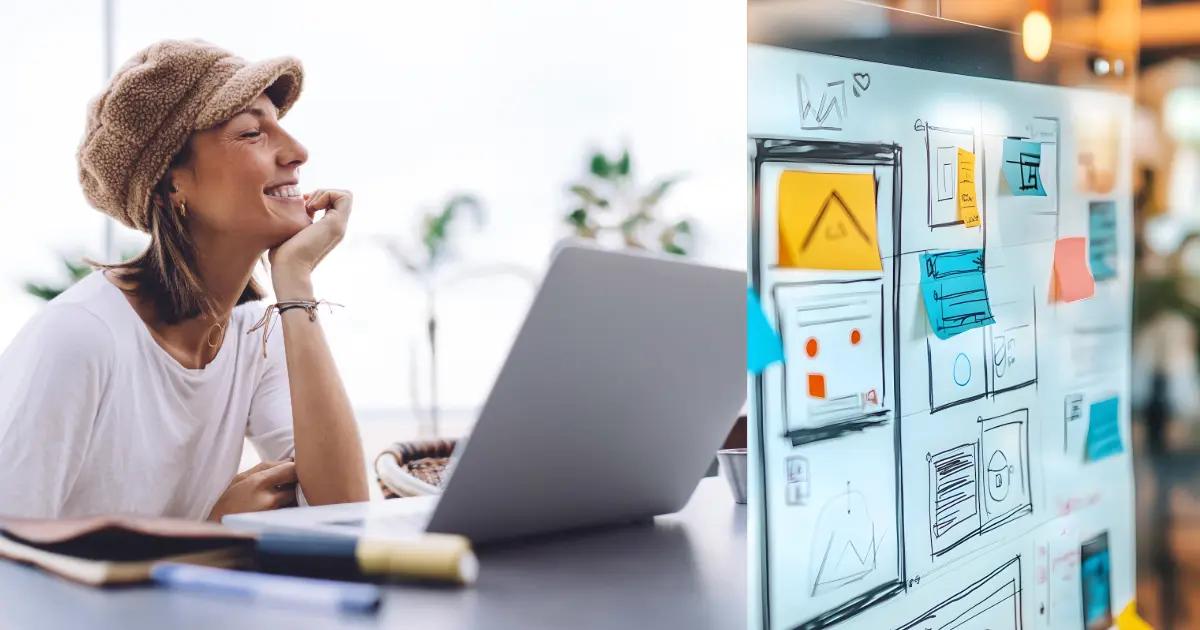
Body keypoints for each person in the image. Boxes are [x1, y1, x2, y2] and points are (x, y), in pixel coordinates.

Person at [0, 39, 368, 521]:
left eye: (281, 127)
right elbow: (12, 571)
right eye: (252, 133)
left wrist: (295, 283)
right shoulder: (80, 337)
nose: (297, 152)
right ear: (173, 181)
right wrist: (203, 533)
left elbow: (344, 512)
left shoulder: (257, 335)